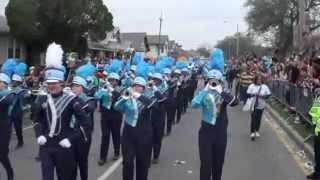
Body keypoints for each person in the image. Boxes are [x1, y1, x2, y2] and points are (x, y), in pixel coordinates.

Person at [32, 43, 90, 180]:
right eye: (49, 83)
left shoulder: (71, 100)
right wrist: (39, 134)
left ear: (61, 83)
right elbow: (36, 120)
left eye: (54, 83)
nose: (51, 86)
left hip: (64, 146)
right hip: (46, 146)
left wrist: (70, 139)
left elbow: (85, 124)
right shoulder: (43, 98)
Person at [192, 69, 238, 180]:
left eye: (216, 80)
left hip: (220, 133)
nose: (213, 82)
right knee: (205, 165)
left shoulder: (224, 92)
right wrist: (205, 90)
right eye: (211, 80)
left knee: (218, 165)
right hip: (206, 133)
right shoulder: (204, 93)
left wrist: (220, 91)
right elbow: (194, 104)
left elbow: (235, 102)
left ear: (220, 81)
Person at [114, 77, 155, 180]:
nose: (136, 88)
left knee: (142, 163)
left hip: (144, 134)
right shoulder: (128, 98)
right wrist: (124, 98)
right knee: (127, 162)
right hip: (128, 134)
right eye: (135, 86)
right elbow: (116, 107)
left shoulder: (148, 96)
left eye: (139, 86)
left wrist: (139, 96)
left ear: (143, 88)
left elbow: (153, 105)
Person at [71, 63, 97, 180]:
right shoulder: (68, 97)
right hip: (69, 134)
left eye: (76, 86)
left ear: (82, 87)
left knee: (82, 163)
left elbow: (90, 109)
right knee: (70, 164)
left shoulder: (90, 100)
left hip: (83, 135)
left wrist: (77, 98)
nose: (73, 88)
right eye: (73, 85)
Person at [96, 72, 123, 165]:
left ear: (117, 81)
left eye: (113, 80)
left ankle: (116, 151)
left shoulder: (120, 89)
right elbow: (96, 96)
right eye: (110, 80)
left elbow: (120, 97)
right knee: (105, 136)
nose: (112, 82)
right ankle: (102, 157)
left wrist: (111, 90)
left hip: (116, 115)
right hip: (105, 115)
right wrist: (103, 90)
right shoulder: (104, 88)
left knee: (116, 134)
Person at [0, 59, 17, 180]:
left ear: (5, 83)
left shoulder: (9, 94)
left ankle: (10, 173)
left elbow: (9, 101)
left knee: (2, 154)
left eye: (1, 82)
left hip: (4, 126)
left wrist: (3, 93)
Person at [246, 74, 271, 141]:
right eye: (258, 80)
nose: (259, 81)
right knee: (253, 118)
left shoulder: (264, 86)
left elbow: (268, 95)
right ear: (255, 80)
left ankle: (257, 130)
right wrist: (254, 94)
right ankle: (252, 132)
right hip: (253, 104)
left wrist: (263, 96)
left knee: (258, 118)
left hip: (261, 104)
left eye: (260, 80)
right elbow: (248, 94)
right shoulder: (252, 86)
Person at [10, 62, 29, 148]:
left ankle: (20, 141)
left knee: (18, 128)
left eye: (15, 81)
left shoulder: (22, 90)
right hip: (8, 112)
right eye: (12, 81)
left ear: (18, 82)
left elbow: (26, 96)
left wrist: (21, 91)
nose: (13, 82)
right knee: (6, 128)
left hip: (17, 111)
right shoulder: (9, 88)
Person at [307, 88, 320, 180]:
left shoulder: (318, 100)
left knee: (318, 154)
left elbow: (312, 114)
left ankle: (317, 174)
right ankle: (317, 173)